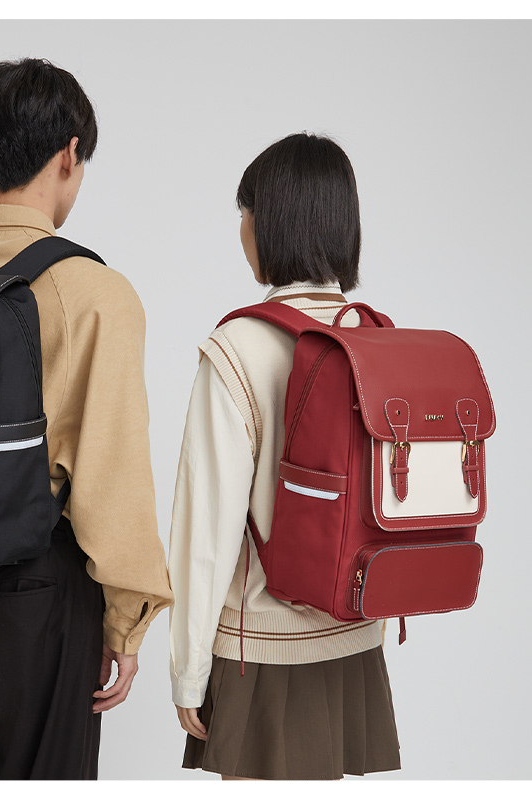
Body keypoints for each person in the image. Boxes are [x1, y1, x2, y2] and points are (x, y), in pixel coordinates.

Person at [0, 57, 173, 780]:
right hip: (38, 587)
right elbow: (112, 476)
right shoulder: (94, 292)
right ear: (70, 153)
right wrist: (126, 622)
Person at [168, 133, 401, 781]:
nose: (240, 230)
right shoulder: (374, 336)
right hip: (356, 634)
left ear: (269, 222)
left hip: (261, 650)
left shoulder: (238, 345)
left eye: (243, 212)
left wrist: (189, 670)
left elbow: (206, 528)